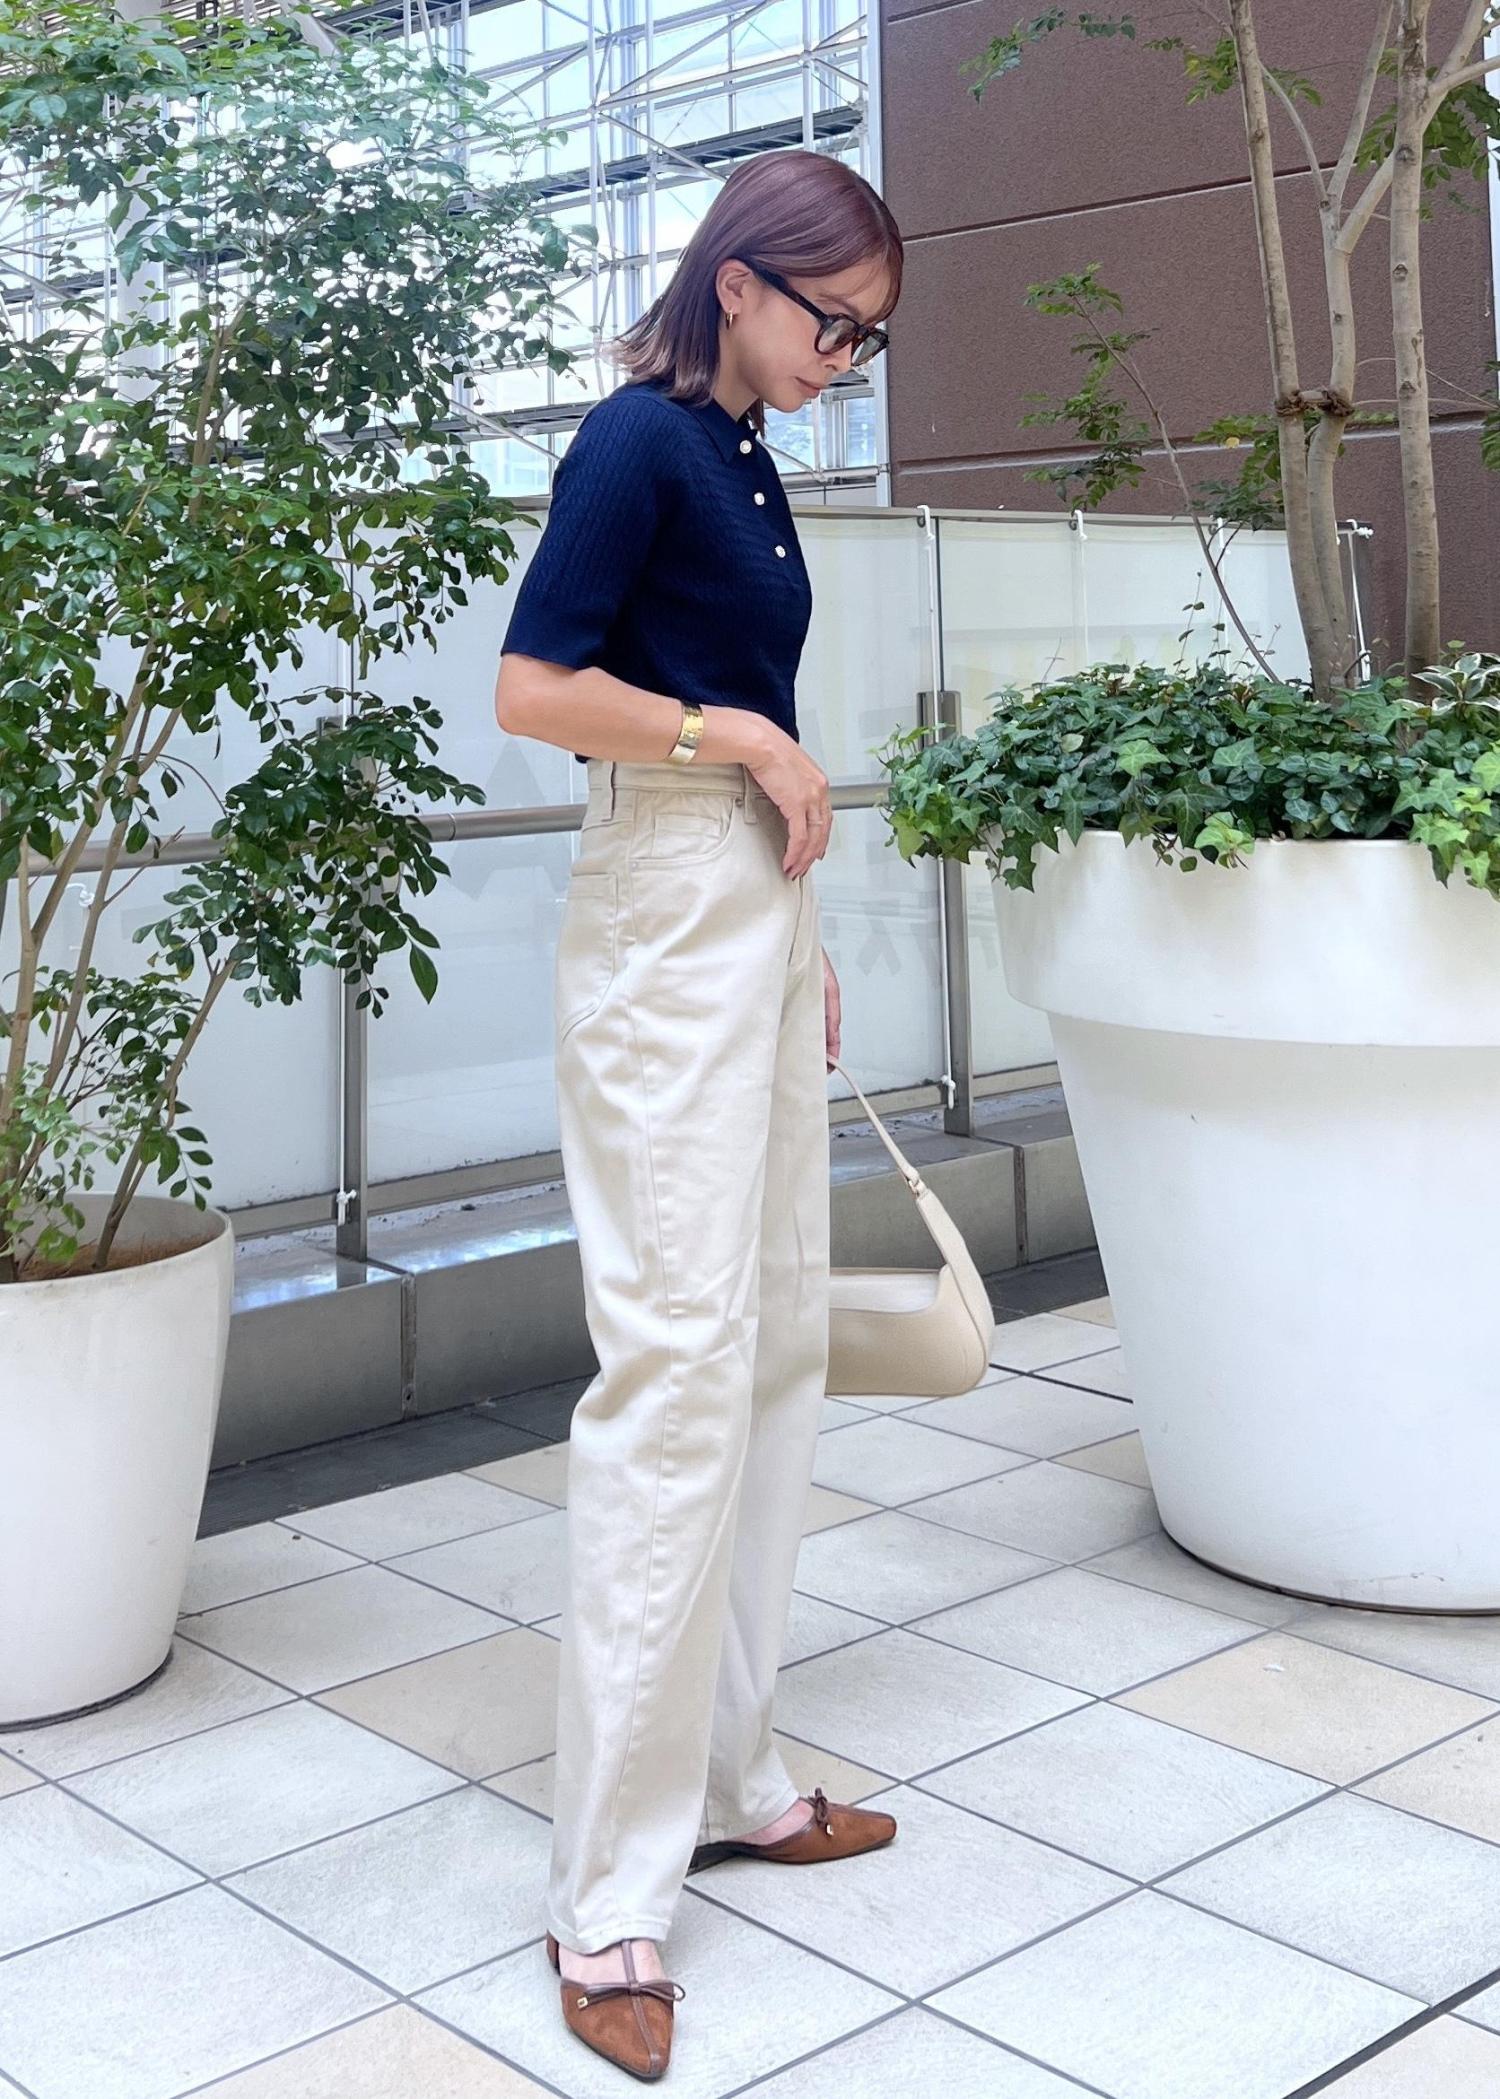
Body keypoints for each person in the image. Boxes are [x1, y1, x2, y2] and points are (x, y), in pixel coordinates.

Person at [494, 146, 904, 2081]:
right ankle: (608, 1895)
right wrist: (728, 735)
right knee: (673, 1372)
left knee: (775, 1351)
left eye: (870, 339)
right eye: (836, 322)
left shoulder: (742, 453)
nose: (847, 359)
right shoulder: (639, 441)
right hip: (665, 899)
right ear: (736, 281)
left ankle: (733, 1778)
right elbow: (530, 686)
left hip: (744, 909)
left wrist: (793, 937)